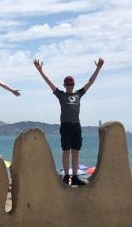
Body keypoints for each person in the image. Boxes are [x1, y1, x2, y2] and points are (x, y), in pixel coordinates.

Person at [34, 57, 104, 186]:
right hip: (65, 126)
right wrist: (40, 70)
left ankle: (75, 177)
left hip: (76, 126)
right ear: (64, 85)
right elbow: (49, 82)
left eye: (71, 84)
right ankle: (66, 176)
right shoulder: (61, 95)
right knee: (66, 152)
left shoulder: (79, 94)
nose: (69, 86)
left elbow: (90, 82)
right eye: (67, 84)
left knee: (76, 153)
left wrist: (98, 68)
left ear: (74, 85)